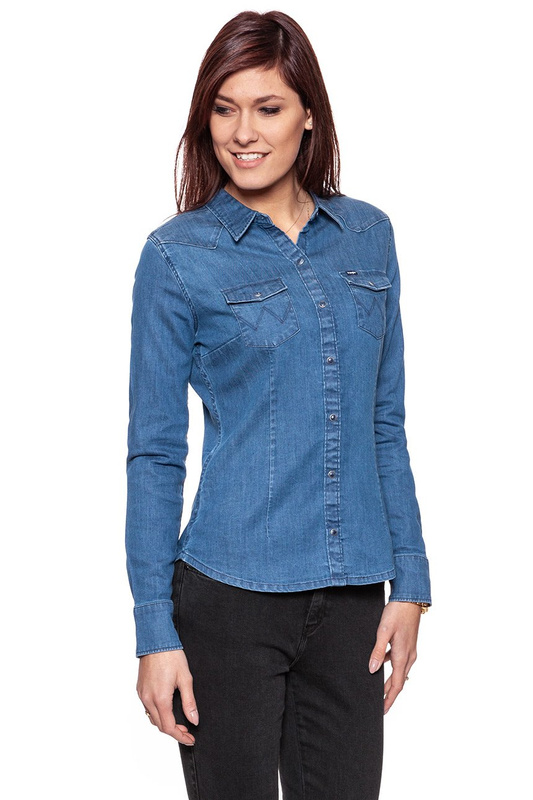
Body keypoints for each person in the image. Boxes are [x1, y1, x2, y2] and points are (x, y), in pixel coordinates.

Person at [125, 10, 432, 800]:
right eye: (223, 109)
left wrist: (410, 582)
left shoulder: (367, 235)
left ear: (308, 115)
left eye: (267, 107)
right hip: (228, 598)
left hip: (353, 601)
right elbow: (155, 453)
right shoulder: (175, 256)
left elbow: (384, 424)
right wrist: (154, 630)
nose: (243, 133)